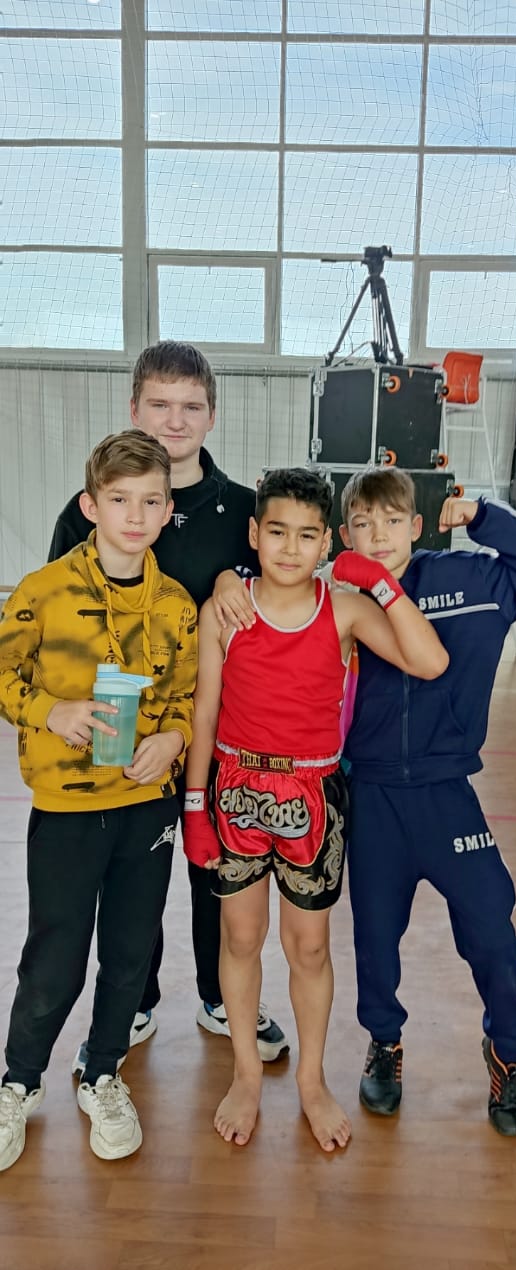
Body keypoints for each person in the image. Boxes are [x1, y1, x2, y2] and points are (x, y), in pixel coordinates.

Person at [182, 468, 448, 1152]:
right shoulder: (226, 610)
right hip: (235, 792)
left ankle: (310, 1079)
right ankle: (246, 1073)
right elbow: (204, 712)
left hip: (314, 796)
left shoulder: (346, 609)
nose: (291, 549)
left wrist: (380, 583)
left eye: (307, 536)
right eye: (278, 532)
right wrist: (195, 805)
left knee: (308, 947)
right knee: (240, 939)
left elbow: (429, 661)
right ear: (254, 533)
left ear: (327, 542)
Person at [49, 340, 288, 1066]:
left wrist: (236, 578)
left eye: (190, 406)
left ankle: (222, 998)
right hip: (130, 735)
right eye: (159, 404)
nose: (174, 420)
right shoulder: (90, 511)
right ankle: (135, 1002)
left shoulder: (246, 511)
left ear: (212, 415)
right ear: (134, 408)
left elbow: (290, 593)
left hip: (224, 732)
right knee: (134, 881)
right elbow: (60, 617)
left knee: (220, 872)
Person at [337, 467, 516, 1136]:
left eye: (391, 521)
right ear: (346, 536)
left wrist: (481, 517)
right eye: (363, 524)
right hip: (373, 796)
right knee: (375, 936)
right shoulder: (339, 600)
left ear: (417, 525)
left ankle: (508, 1051)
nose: (379, 536)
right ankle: (384, 1041)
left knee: (492, 927)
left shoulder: (468, 581)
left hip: (448, 797)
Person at [0, 430, 197, 1171]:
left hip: (147, 806)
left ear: (168, 509)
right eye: (119, 500)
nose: (135, 516)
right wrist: (48, 710)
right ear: (91, 506)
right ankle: (19, 1082)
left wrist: (174, 739)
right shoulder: (43, 591)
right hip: (67, 808)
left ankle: (103, 1070)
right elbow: (2, 672)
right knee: (55, 956)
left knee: (128, 950)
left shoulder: (176, 606)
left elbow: (187, 696)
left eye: (151, 501)